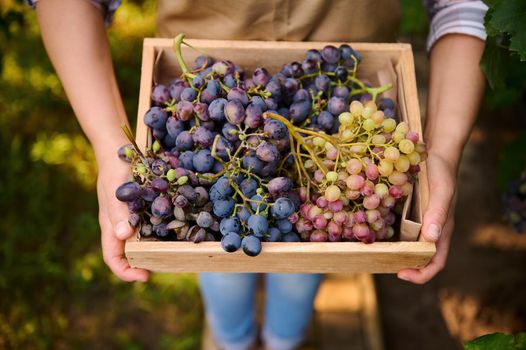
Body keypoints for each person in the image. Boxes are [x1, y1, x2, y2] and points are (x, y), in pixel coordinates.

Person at [33, 0, 488, 348]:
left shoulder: (309, 166)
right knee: (220, 256)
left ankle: (282, 339)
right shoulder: (214, 127)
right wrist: (107, 146)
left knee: (305, 259)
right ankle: (234, 338)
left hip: (331, 96)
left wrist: (443, 152)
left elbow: (462, 7)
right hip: (204, 69)